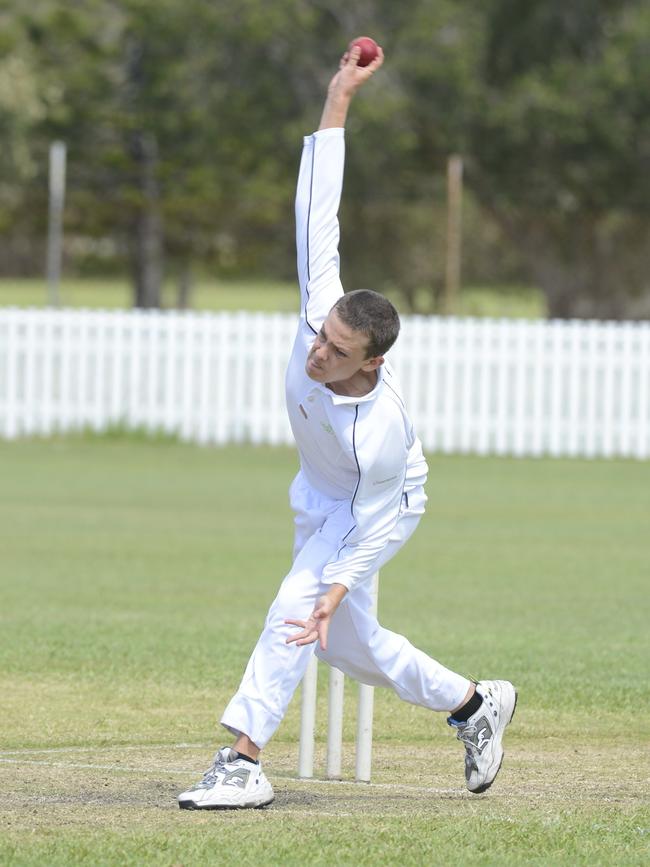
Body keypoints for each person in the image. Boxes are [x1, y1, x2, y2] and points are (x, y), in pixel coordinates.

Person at [178, 45, 516, 811]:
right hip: (318, 492)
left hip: (378, 505)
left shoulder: (381, 431)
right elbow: (317, 207)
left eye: (335, 351)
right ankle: (474, 702)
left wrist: (334, 585)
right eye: (319, 336)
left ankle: (241, 759)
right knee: (356, 649)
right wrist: (339, 94)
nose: (315, 352)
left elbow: (374, 522)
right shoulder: (317, 309)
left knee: (297, 609)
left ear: (371, 364)